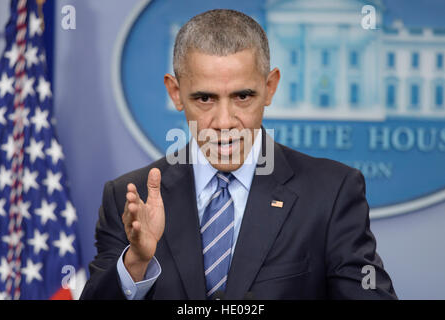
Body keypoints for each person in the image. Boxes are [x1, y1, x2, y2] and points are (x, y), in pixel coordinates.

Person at [80, 9, 397, 300]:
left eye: (243, 96)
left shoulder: (330, 192)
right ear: (175, 93)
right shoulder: (127, 197)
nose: (224, 122)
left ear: (270, 87)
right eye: (204, 98)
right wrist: (135, 263)